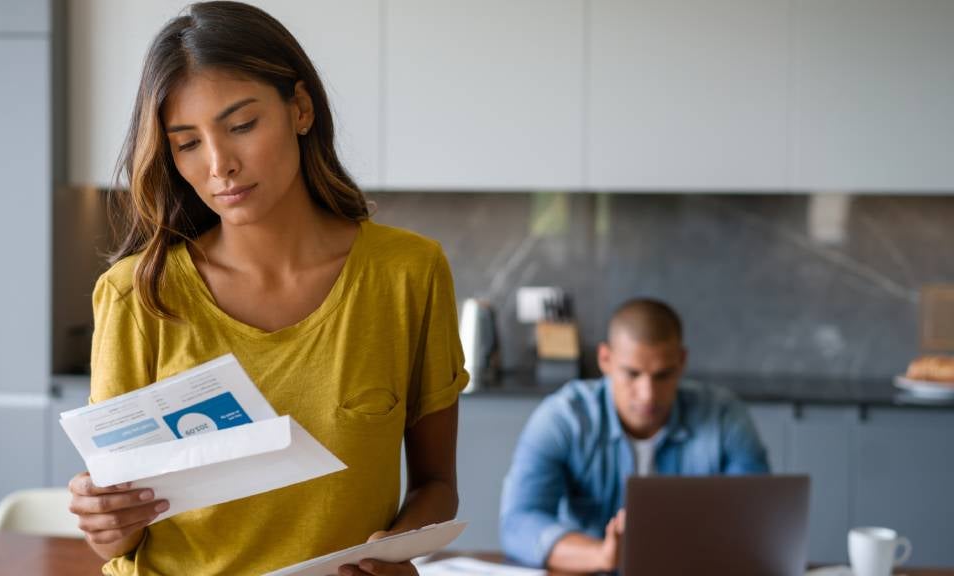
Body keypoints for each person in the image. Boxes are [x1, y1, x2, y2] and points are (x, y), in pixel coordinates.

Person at [66, 3, 468, 575]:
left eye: (241, 125)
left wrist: (390, 555)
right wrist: (103, 522)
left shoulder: (409, 273)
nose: (219, 164)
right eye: (187, 143)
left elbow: (437, 484)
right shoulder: (137, 295)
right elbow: (118, 541)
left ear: (300, 109)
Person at [499, 298, 768, 573]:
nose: (648, 394)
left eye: (663, 375)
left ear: (682, 361)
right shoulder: (563, 418)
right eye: (632, 373)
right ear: (605, 359)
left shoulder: (723, 417)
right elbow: (519, 522)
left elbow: (757, 520)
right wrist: (601, 555)